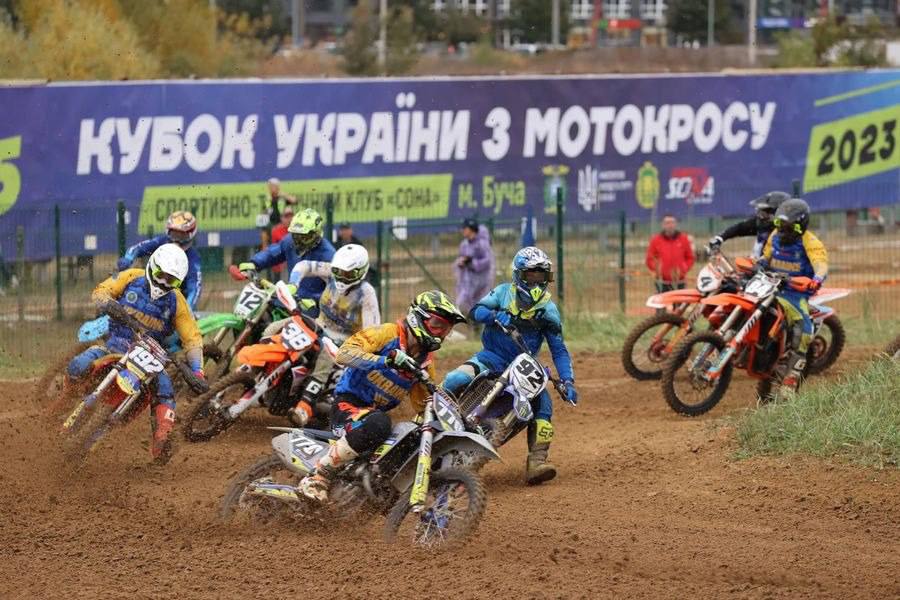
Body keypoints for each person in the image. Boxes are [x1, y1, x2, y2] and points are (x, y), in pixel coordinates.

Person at [297, 290, 467, 502]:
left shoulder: (425, 362)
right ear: (418, 317)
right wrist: (385, 361)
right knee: (380, 423)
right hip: (347, 406)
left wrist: (457, 421)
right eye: (437, 324)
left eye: (446, 329)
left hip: (372, 416)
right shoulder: (387, 334)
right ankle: (318, 476)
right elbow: (343, 354)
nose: (441, 333)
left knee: (409, 438)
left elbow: (424, 406)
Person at [443, 247, 577, 485]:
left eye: (541, 275)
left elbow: (558, 349)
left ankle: (537, 461)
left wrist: (567, 380)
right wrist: (494, 315)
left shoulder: (548, 310)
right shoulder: (503, 292)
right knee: (456, 379)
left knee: (544, 404)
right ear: (518, 275)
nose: (536, 281)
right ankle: (425, 417)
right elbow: (475, 310)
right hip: (490, 357)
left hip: (522, 366)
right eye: (531, 274)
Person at [67, 244, 205, 463]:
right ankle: (65, 397)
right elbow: (101, 290)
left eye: (171, 280)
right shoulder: (131, 276)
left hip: (150, 356)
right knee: (78, 366)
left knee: (165, 390)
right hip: (115, 345)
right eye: (161, 275)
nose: (164, 282)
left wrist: (197, 371)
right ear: (152, 267)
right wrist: (107, 302)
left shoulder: (177, 302)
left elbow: (193, 338)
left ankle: (162, 442)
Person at [282, 244, 381, 426]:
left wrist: (361, 352)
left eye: (347, 274)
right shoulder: (330, 272)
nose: (341, 277)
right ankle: (251, 373)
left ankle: (304, 407)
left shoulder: (366, 294)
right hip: (317, 327)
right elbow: (303, 266)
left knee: (325, 357)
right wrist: (293, 284)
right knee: (279, 326)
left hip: (341, 343)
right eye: (338, 272)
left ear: (360, 272)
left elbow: (372, 332)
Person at [757, 198, 828, 392]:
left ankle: (791, 379)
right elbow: (766, 256)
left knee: (804, 331)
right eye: (780, 224)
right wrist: (759, 262)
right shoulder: (774, 235)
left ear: (800, 226)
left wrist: (817, 278)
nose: (783, 230)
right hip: (769, 286)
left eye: (789, 226)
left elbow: (821, 264)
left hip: (795, 292)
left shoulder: (810, 242)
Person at [235, 208, 335, 312]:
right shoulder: (290, 242)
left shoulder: (329, 255)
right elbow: (273, 253)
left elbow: (336, 290)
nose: (298, 241)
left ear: (316, 234)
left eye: (304, 237)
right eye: (295, 235)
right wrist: (254, 263)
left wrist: (317, 301)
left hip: (312, 309)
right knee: (265, 312)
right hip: (288, 298)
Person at [118, 211, 202, 311]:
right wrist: (128, 258)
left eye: (181, 235)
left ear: (190, 234)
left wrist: (187, 310)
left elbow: (194, 288)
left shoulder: (193, 258)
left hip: (173, 302)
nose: (176, 239)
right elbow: (137, 248)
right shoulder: (161, 241)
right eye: (174, 234)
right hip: (148, 289)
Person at [708, 191, 790, 258]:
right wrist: (720, 238)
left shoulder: (787, 236)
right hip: (755, 268)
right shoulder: (761, 223)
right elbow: (739, 228)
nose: (760, 217)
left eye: (764, 213)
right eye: (760, 212)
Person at [454, 217, 496, 315]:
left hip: (482, 281)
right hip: (467, 281)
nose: (462, 230)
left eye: (465, 228)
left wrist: (472, 263)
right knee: (462, 304)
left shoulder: (482, 244)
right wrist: (461, 262)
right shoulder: (464, 244)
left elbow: (488, 261)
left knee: (482, 305)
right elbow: (460, 258)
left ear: (471, 229)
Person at [645, 215, 694, 293]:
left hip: (680, 281)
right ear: (663, 225)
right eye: (667, 223)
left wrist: (684, 268)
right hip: (662, 282)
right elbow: (650, 259)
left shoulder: (683, 239)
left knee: (680, 301)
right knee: (662, 301)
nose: (670, 225)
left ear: (676, 224)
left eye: (672, 222)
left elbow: (690, 257)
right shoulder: (656, 240)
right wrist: (658, 269)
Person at [269, 206, 294, 276]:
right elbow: (274, 251)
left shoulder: (299, 230)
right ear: (281, 218)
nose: (289, 219)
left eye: (291, 216)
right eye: (286, 216)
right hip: (280, 265)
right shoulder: (276, 230)